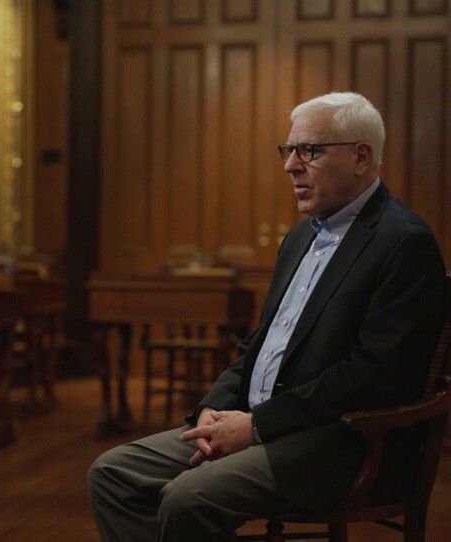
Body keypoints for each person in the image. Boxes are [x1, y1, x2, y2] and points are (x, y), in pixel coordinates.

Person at [87, 92, 447, 541]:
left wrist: (258, 426)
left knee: (187, 497)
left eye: (309, 151)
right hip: (261, 423)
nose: (290, 166)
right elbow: (257, 349)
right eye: (289, 150)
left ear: (361, 157)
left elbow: (376, 376)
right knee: (113, 473)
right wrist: (211, 410)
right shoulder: (299, 239)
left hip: (338, 443)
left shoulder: (403, 242)